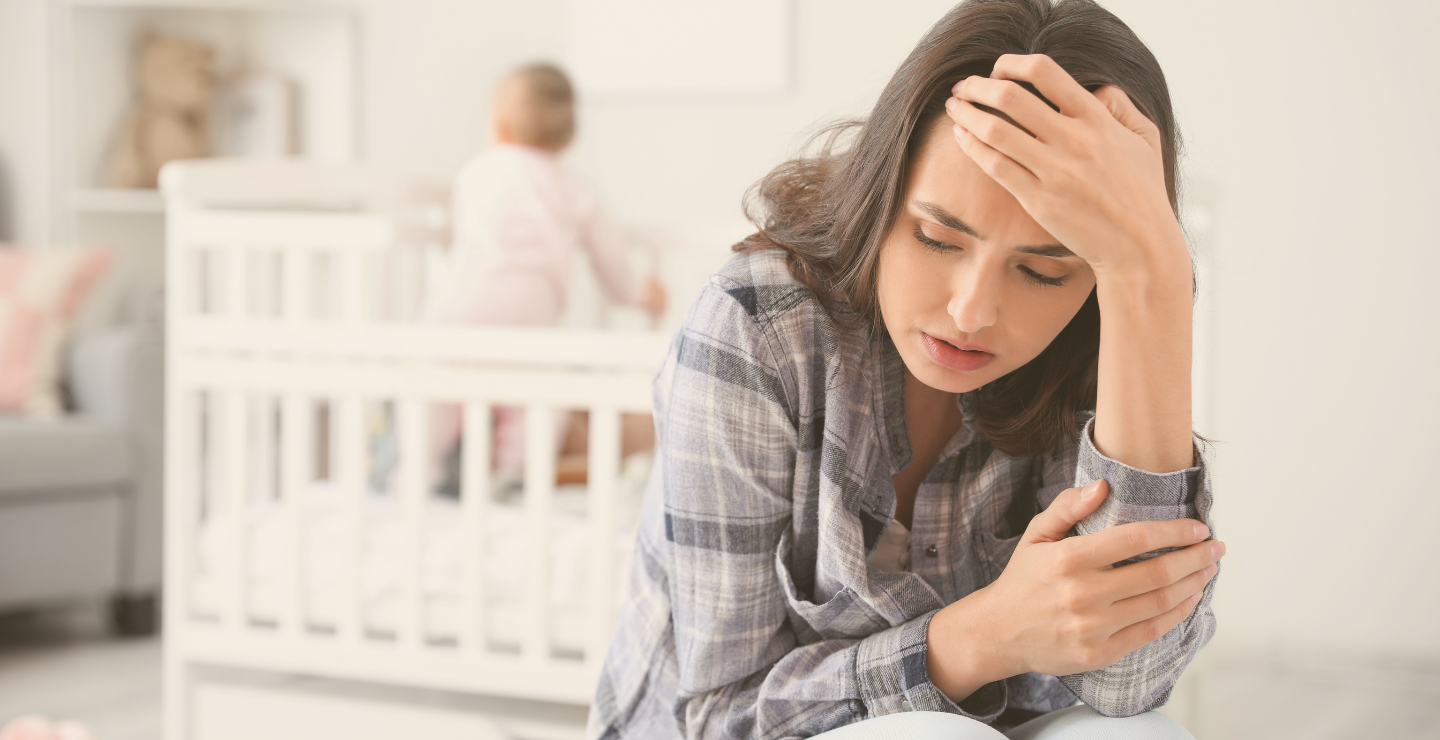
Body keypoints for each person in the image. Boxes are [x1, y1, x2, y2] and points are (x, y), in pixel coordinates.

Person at [587, 1, 1218, 738]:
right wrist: (984, 636)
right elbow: (719, 716)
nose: (973, 310)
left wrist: (1154, 277)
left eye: (1045, 272)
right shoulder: (760, 326)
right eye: (937, 238)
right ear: (882, 193)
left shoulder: (1100, 333)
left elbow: (1131, 682)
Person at [423, 63, 666, 484]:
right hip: (528, 319)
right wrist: (641, 294)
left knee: (434, 390)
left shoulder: (474, 173)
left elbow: (458, 241)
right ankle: (514, 472)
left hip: (459, 311)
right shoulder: (575, 189)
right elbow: (612, 261)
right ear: (567, 136)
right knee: (536, 402)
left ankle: (416, 470)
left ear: (498, 125)